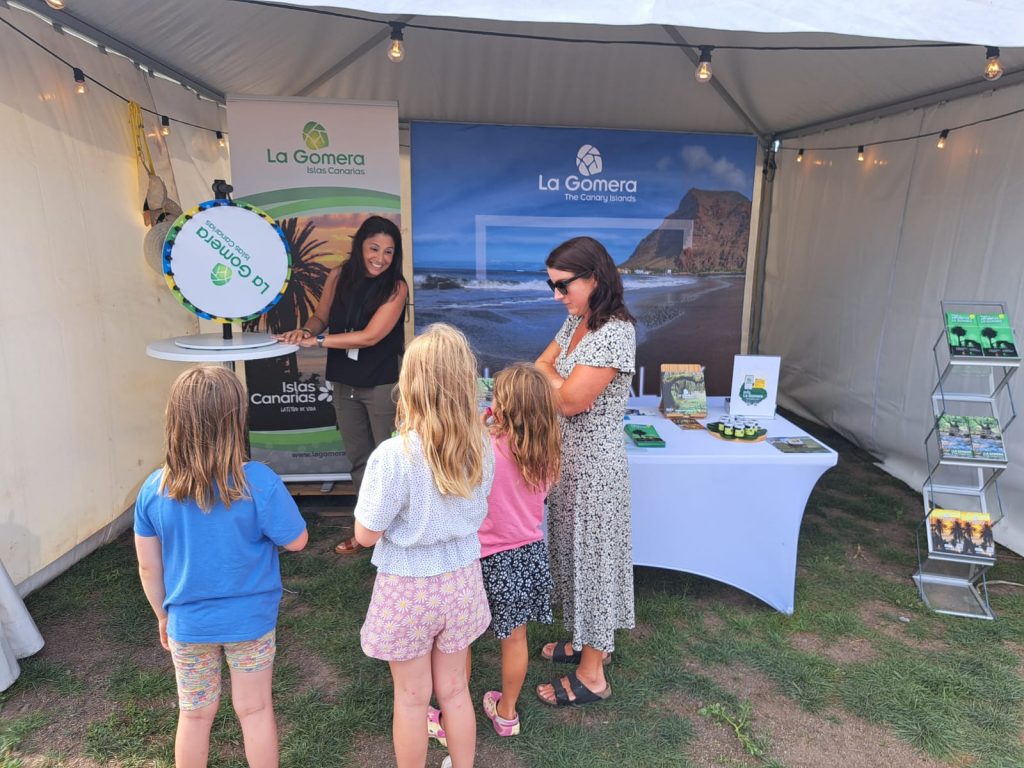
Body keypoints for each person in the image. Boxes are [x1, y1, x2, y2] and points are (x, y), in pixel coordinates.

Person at [134, 366, 308, 768]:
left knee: (193, 715)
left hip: (188, 624)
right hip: (251, 621)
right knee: (255, 711)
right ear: (236, 420)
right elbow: (297, 541)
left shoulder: (153, 489)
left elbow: (148, 568)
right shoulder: (258, 481)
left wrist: (163, 614)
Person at [353, 323, 494, 768]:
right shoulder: (482, 447)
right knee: (455, 691)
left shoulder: (393, 457)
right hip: (462, 582)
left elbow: (364, 535)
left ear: (409, 384)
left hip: (408, 587)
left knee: (412, 699)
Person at [534, 236, 636, 708]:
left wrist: (558, 384)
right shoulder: (577, 319)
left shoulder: (615, 331)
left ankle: (593, 672)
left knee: (595, 564)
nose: (556, 295)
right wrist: (559, 383)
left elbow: (574, 401)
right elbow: (541, 367)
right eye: (552, 285)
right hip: (568, 465)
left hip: (596, 470)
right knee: (574, 559)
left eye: (562, 285)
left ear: (594, 278)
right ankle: (581, 639)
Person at [276, 215, 408, 555]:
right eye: (374, 248)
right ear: (360, 246)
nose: (380, 258)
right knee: (359, 459)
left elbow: (370, 337)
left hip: (382, 385)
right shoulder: (339, 275)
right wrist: (306, 330)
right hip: (343, 382)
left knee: (390, 461)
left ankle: (399, 535)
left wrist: (318, 341)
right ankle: (367, 533)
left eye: (389, 252)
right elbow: (320, 315)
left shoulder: (396, 287)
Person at [470, 362, 561, 736]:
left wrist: (485, 417)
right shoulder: (548, 453)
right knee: (515, 639)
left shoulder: (487, 447)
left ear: (502, 407)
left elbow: (469, 441)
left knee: (462, 640)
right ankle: (507, 713)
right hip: (525, 556)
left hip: (483, 556)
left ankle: (453, 705)